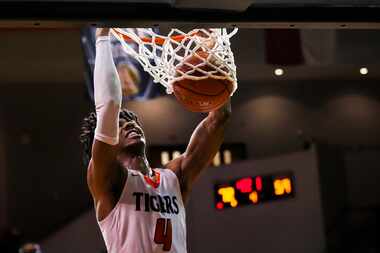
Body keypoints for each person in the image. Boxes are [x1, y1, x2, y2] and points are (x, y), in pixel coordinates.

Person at [80, 28, 231, 253]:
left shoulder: (174, 178)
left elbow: (220, 117)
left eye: (132, 122)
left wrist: (209, 55)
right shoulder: (107, 180)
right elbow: (109, 105)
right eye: (120, 126)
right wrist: (102, 37)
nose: (130, 125)